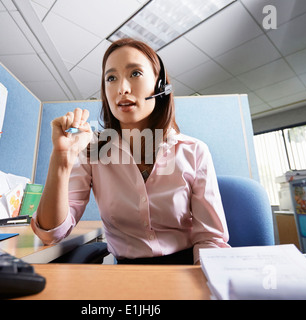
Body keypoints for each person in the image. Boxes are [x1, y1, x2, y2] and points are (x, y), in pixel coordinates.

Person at [31, 38, 230, 264]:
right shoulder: (93, 150)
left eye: (135, 73)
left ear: (160, 85)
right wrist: (62, 158)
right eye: (111, 78)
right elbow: (51, 233)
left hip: (186, 267)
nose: (122, 89)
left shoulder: (194, 151)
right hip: (127, 273)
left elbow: (211, 239)